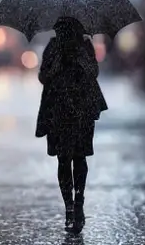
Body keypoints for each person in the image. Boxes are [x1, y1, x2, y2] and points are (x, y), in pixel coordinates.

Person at [36, 17, 108, 233]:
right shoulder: (53, 47)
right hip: (58, 110)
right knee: (64, 159)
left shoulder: (84, 46)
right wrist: (55, 67)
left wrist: (80, 62)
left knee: (79, 157)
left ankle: (78, 203)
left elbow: (93, 73)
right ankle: (69, 206)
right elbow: (43, 76)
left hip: (81, 109)